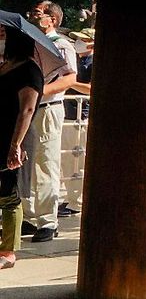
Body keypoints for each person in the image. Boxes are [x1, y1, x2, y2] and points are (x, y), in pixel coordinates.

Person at [22, 1, 76, 243]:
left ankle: (47, 221)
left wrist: (38, 91)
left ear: (51, 19)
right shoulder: (28, 43)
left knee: (46, 163)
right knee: (24, 163)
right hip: (27, 109)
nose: (32, 16)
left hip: (47, 109)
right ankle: (29, 215)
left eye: (37, 13)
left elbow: (68, 79)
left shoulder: (61, 45)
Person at [0, 27, 44, 268]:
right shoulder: (8, 66)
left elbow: (27, 109)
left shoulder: (29, 70)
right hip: (2, 135)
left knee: (9, 194)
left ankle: (8, 250)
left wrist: (15, 144)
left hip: (15, 138)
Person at [59, 27, 95, 218]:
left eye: (83, 39)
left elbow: (91, 89)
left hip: (82, 115)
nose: (78, 43)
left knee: (78, 158)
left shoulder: (93, 62)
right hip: (70, 114)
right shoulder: (80, 61)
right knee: (67, 160)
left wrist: (69, 83)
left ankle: (77, 201)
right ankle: (71, 198)